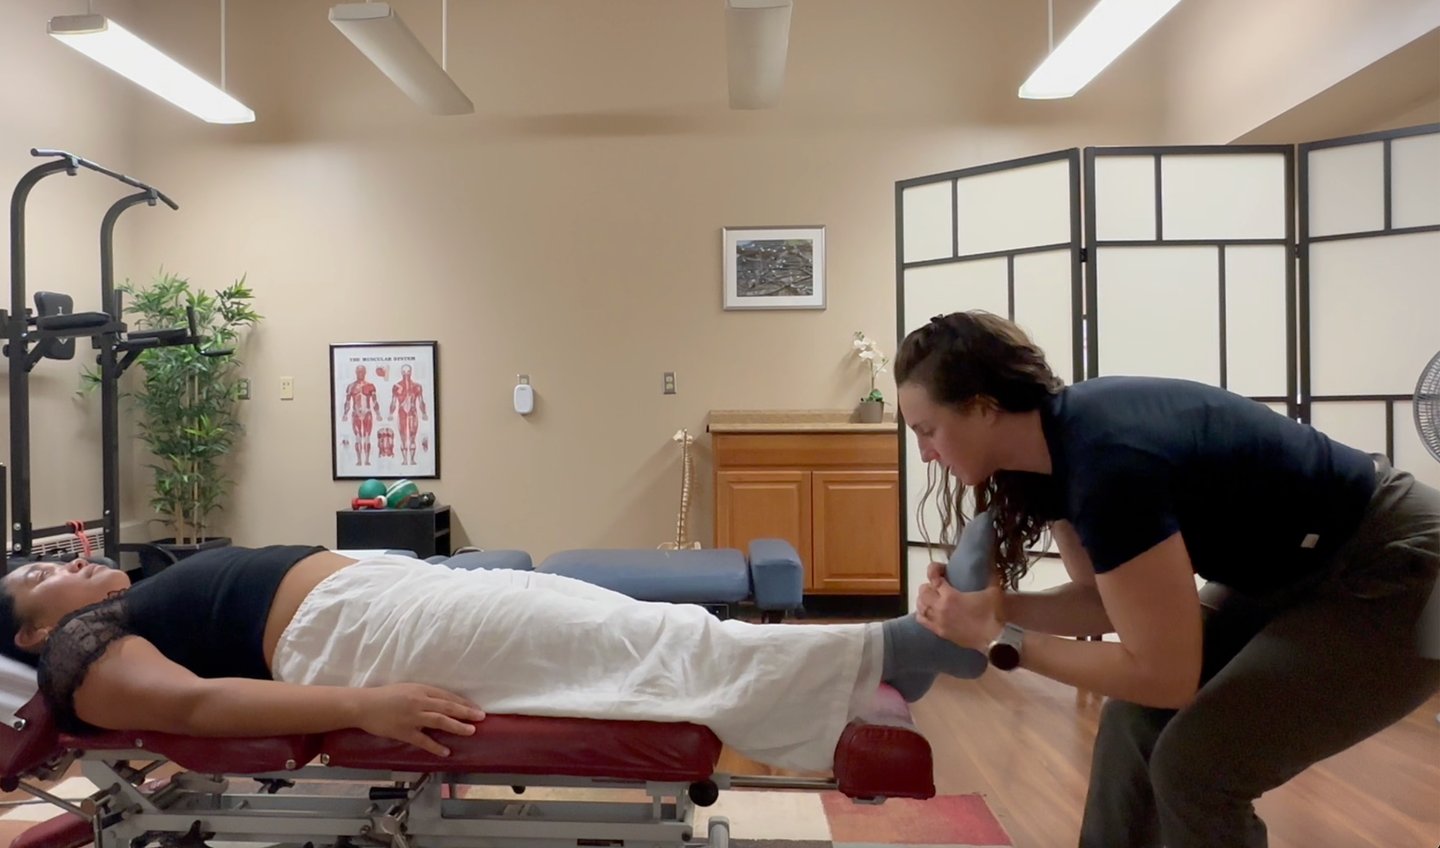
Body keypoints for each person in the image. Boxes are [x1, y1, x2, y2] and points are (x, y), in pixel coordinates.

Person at [896, 310, 1440, 848]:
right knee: (1133, 724)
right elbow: (1102, 603)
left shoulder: (1107, 463)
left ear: (983, 408)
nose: (925, 451)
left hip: (1400, 568)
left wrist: (998, 639)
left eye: (928, 430)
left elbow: (1165, 675)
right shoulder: (1051, 456)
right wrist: (994, 608)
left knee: (1198, 767)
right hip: (1290, 569)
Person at [0, 546, 985, 773]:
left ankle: (869, 671)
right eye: (44, 569)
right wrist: (366, 701)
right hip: (357, 640)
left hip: (379, 595)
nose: (72, 558)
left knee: (630, 629)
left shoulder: (115, 604)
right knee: (633, 645)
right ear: (31, 633)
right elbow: (200, 704)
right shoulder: (79, 655)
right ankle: (890, 650)